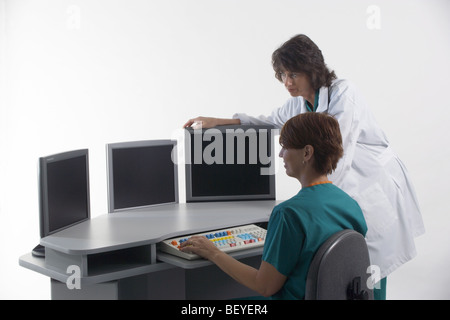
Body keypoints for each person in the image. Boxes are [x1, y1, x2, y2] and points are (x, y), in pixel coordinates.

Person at [183, 34, 425, 300]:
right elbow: (269, 121)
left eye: (293, 75)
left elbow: (338, 152)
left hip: (372, 186)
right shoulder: (298, 104)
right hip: (339, 195)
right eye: (282, 75)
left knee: (367, 271)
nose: (287, 82)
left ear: (312, 69)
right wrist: (217, 121)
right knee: (344, 272)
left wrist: (314, 203)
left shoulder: (344, 93)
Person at [180, 112, 367, 300]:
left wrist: (213, 252)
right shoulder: (350, 205)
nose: (280, 154)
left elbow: (264, 286)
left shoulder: (289, 213)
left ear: (307, 153)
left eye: (285, 147)